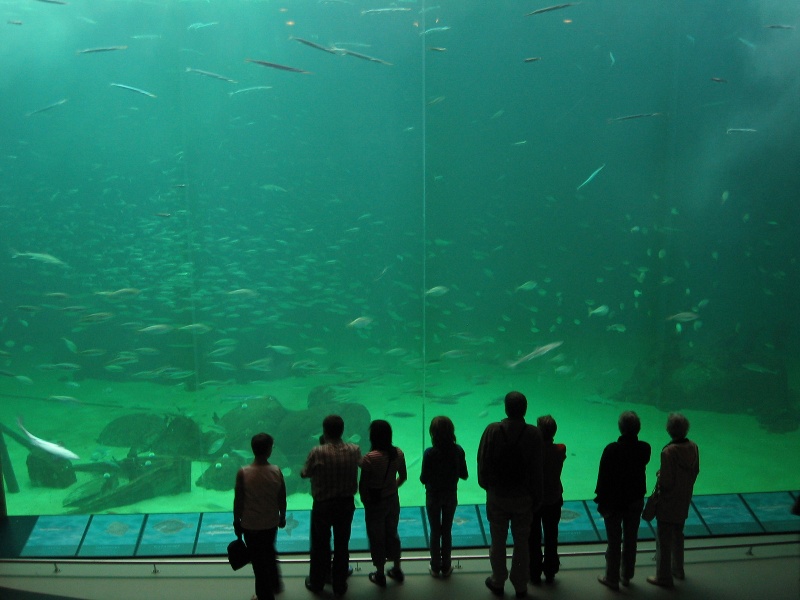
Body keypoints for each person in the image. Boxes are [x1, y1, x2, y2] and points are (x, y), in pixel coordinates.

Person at [477, 391, 544, 599]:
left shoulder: (492, 430)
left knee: (497, 539)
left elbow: (482, 460)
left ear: (505, 408)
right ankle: (520, 585)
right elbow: (538, 469)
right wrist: (537, 496)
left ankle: (498, 580)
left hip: (497, 495)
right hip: (524, 497)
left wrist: (486, 486)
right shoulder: (534, 434)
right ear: (525, 410)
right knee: (521, 541)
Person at [300, 415, 362, 598]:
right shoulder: (354, 449)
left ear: (324, 431)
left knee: (321, 544)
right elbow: (363, 465)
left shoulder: (317, 452)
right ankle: (339, 583)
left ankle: (318, 582)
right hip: (346, 504)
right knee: (342, 543)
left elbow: (305, 473)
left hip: (323, 505)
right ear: (343, 430)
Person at [594, 411, 651, 591]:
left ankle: (612, 578)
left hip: (614, 502)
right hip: (635, 500)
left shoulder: (611, 449)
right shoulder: (644, 448)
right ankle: (627, 576)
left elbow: (603, 478)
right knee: (631, 538)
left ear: (621, 428)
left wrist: (601, 501)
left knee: (614, 540)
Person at [648, 412, 700, 588]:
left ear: (669, 430)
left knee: (663, 538)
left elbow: (667, 483)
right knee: (678, 534)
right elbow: (695, 472)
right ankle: (678, 569)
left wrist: (661, 475)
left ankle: (663, 576)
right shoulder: (693, 446)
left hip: (668, 502)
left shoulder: (668, 452)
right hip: (684, 498)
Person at [233, 433, 286, 600]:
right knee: (269, 552)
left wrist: (236, 521)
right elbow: (281, 498)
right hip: (270, 524)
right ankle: (276, 584)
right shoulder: (276, 471)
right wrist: (282, 516)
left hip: (250, 526)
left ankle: (264, 595)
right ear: (270, 450)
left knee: (257, 561)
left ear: (252, 450)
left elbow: (239, 500)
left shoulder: (243, 472)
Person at [359, 419, 408, 587]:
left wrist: (367, 501)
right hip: (393, 500)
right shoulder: (398, 453)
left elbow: (363, 486)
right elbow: (403, 476)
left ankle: (380, 574)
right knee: (392, 533)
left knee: (377, 537)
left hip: (375, 503)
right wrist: (390, 488)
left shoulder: (370, 458)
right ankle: (397, 568)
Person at [420, 416, 469, 578]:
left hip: (433, 496)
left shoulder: (429, 453)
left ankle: (435, 566)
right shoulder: (458, 450)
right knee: (447, 530)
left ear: (433, 433)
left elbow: (423, 478)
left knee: (435, 531)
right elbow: (464, 475)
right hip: (450, 495)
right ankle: (446, 566)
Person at [528, 414, 566, 585]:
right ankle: (550, 570)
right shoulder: (560, 449)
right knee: (552, 536)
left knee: (534, 537)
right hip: (554, 498)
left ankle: (534, 572)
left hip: (535, 500)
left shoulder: (533, 451)